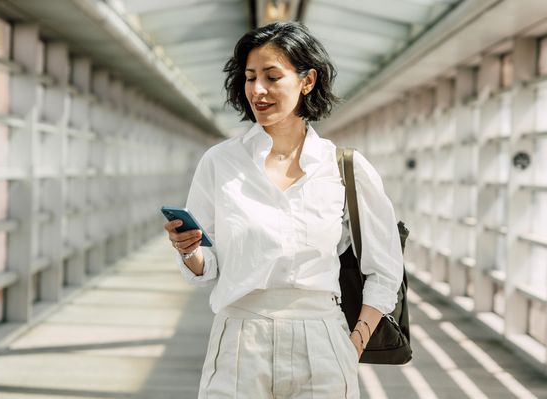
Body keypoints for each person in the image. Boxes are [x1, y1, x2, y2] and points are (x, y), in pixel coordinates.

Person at [164, 21, 403, 399]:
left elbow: (385, 269)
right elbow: (205, 267)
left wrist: (351, 344)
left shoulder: (344, 167)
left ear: (307, 81)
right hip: (239, 336)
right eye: (250, 77)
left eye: (272, 77)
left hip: (321, 337)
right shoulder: (220, 162)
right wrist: (189, 249)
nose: (257, 90)